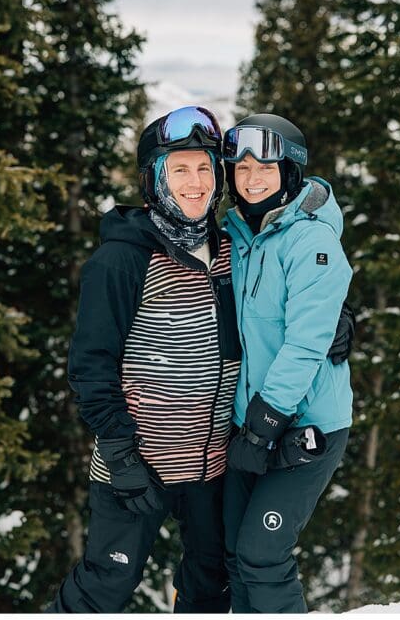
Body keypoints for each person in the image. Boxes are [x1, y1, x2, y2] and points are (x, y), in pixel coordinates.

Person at [50, 106, 238, 612]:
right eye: (180, 169)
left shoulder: (229, 250)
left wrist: (335, 316)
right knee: (105, 585)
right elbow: (91, 364)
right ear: (155, 179)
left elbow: (280, 294)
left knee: (209, 585)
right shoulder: (122, 259)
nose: (195, 183)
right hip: (137, 464)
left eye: (205, 168)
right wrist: (120, 452)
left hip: (211, 465)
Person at [220, 114, 353, 613]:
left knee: (262, 555)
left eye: (265, 168)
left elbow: (305, 343)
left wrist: (265, 423)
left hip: (305, 424)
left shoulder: (310, 240)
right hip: (246, 420)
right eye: (242, 168)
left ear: (289, 172)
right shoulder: (236, 233)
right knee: (234, 555)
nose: (252, 179)